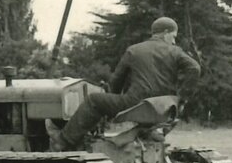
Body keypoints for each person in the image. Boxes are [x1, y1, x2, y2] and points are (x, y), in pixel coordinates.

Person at [46, 16, 200, 151]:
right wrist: (182, 98)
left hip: (135, 103)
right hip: (163, 108)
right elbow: (195, 68)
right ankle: (149, 132)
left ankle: (63, 141)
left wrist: (110, 96)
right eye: (173, 36)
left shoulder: (134, 50)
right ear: (165, 33)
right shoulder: (175, 52)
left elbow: (116, 83)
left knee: (94, 100)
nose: (173, 40)